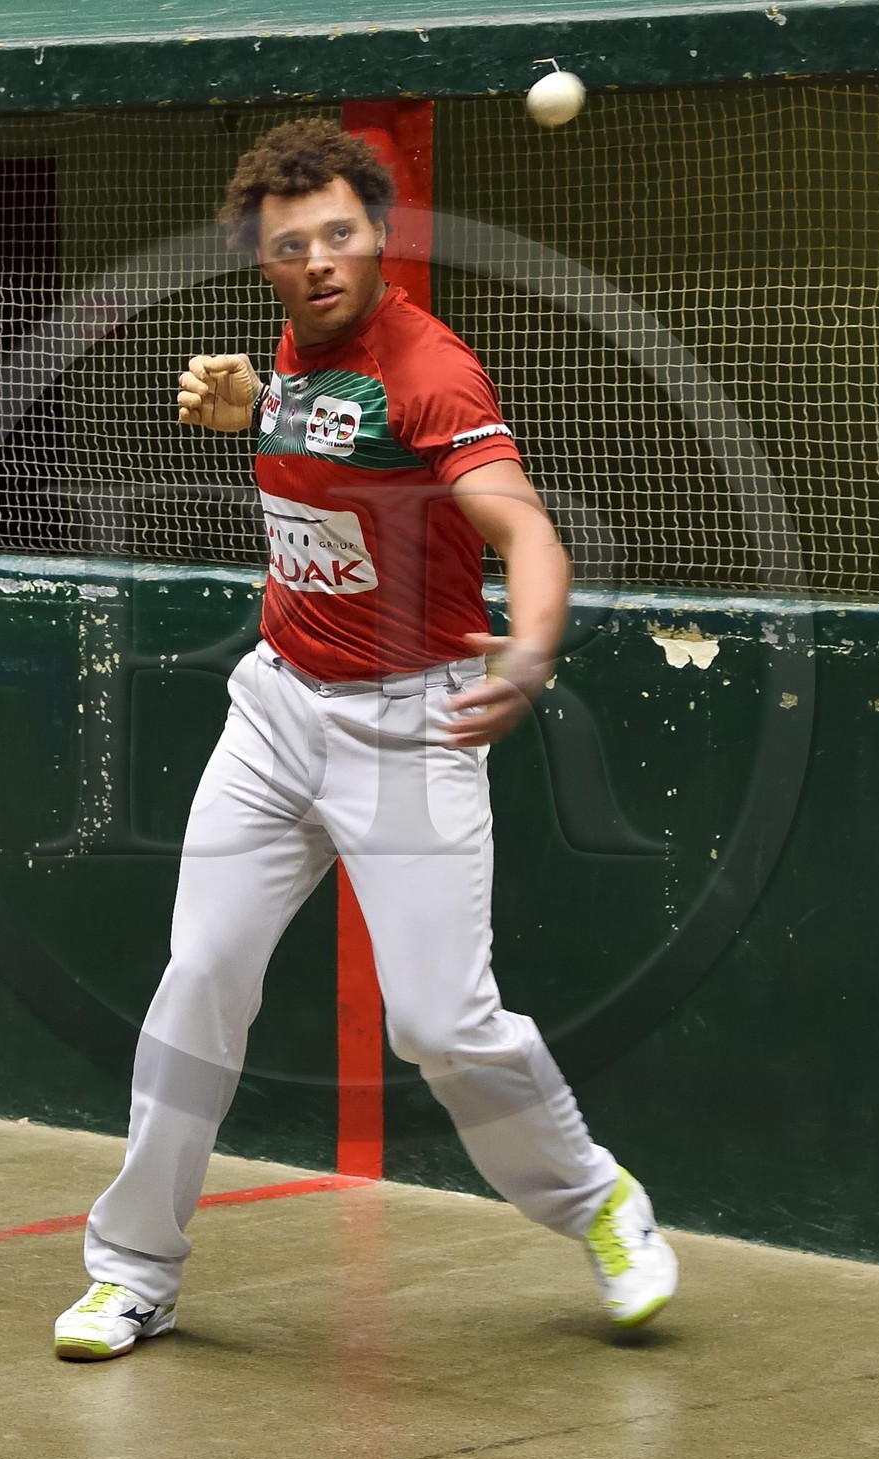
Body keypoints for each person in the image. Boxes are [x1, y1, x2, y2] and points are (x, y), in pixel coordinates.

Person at [55, 119, 678, 1359]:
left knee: (440, 1026)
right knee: (198, 986)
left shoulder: (432, 371)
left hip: (412, 723)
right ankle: (133, 1272)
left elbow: (526, 533)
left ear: (379, 237)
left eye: (342, 234)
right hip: (278, 706)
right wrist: (251, 408)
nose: (322, 260)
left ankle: (598, 1200)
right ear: (266, 264)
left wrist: (534, 650)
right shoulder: (296, 350)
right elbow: (325, 438)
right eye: (294, 247)